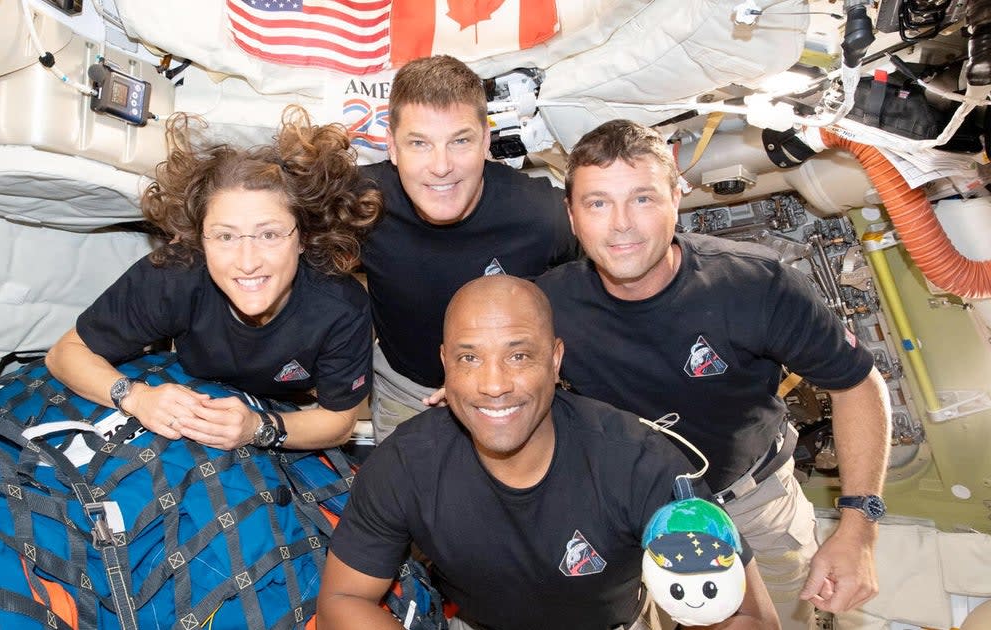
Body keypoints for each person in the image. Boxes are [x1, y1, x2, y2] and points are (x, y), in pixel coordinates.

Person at [535, 119, 892, 626]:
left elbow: (856, 383)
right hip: (628, 514)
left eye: (642, 198)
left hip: (754, 504)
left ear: (676, 199)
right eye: (597, 203)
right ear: (571, 216)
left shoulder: (756, 285)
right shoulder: (545, 306)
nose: (621, 224)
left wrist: (859, 528)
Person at [317, 275, 778, 630]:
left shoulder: (641, 463)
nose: (493, 385)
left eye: (519, 356)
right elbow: (343, 600)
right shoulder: (404, 464)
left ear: (555, 361)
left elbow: (750, 618)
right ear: (445, 365)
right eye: (469, 358)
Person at [45, 106, 381, 451]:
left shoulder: (341, 306)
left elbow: (339, 422)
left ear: (304, 238)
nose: (247, 262)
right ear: (199, 240)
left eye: (269, 235)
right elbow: (65, 354)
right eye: (225, 237)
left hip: (287, 412)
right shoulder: (174, 274)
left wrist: (258, 428)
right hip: (187, 392)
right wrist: (135, 397)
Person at [359, 54, 580, 442]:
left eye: (459, 141)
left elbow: (600, 288)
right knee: (404, 499)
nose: (441, 166)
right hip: (408, 390)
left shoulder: (541, 214)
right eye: (419, 143)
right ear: (392, 148)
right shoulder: (359, 204)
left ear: (486, 141)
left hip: (509, 390)